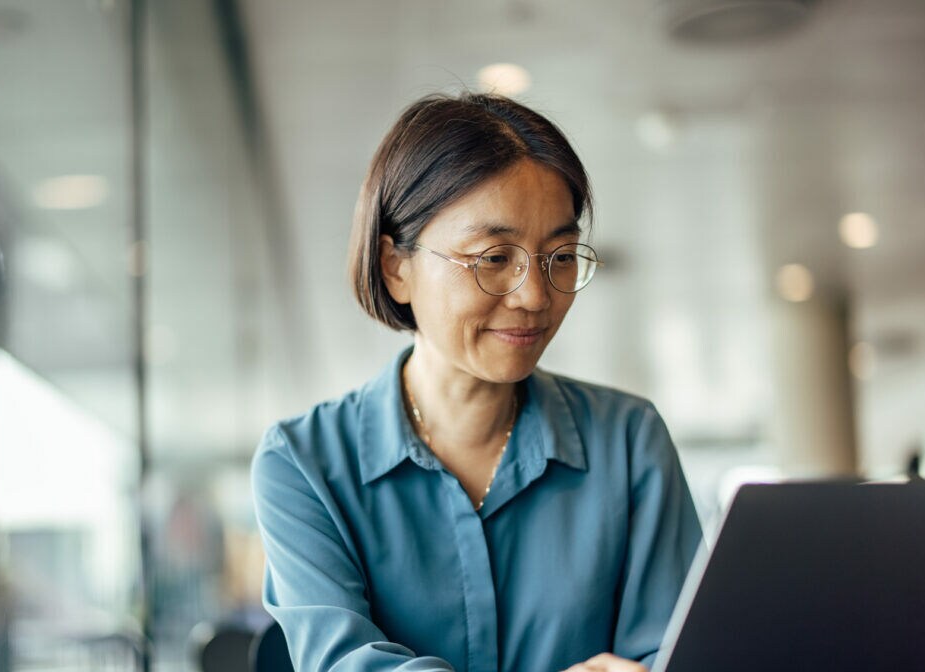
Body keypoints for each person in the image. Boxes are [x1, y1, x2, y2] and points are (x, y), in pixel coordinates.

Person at [250, 92, 702, 672]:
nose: (535, 296)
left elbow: (673, 654)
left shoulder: (629, 440)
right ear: (396, 267)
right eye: (493, 257)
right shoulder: (304, 463)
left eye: (560, 256)